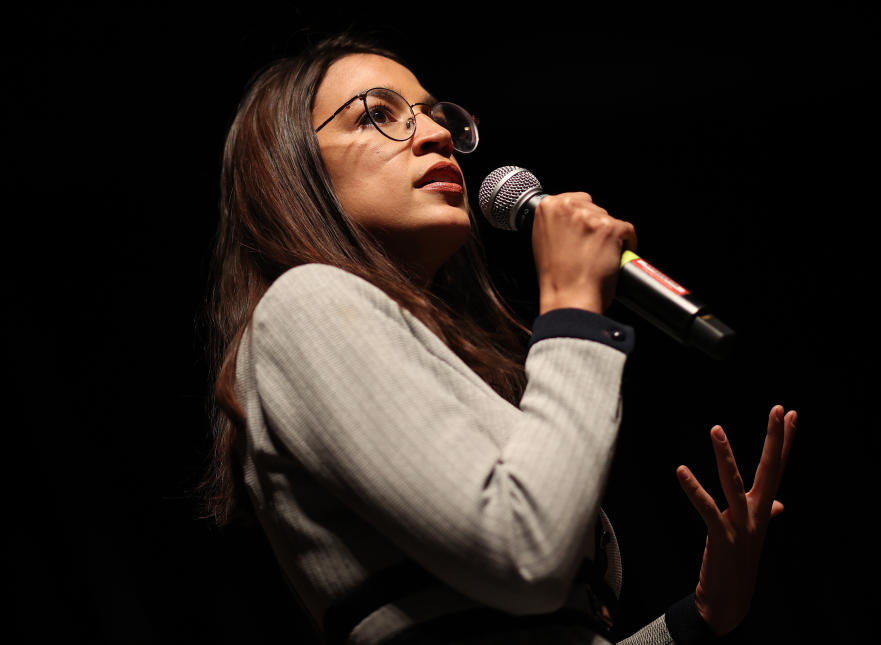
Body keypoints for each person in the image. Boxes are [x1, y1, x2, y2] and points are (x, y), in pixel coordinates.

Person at [200, 33, 798, 645]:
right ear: (291, 167)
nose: (435, 136)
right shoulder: (307, 304)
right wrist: (573, 311)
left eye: (435, 116)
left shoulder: (432, 360)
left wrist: (699, 618)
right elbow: (526, 557)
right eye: (376, 115)